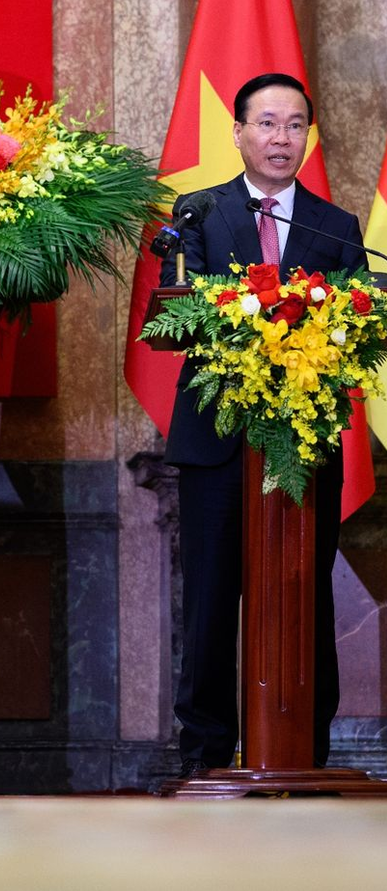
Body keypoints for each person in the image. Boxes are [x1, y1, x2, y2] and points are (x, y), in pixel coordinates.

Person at [160, 72, 366, 779]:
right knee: (211, 603)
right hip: (216, 445)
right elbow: (179, 314)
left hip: (302, 445)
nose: (282, 138)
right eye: (268, 123)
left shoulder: (335, 226)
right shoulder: (198, 213)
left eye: (295, 125)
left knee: (304, 600)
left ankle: (303, 753)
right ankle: (206, 758)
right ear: (239, 132)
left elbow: (355, 328)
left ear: (308, 137)